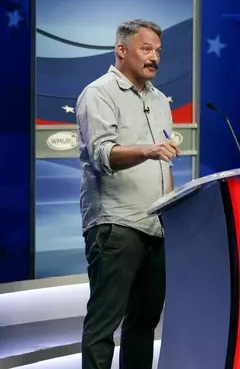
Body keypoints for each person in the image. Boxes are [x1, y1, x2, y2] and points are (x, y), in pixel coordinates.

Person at [76, 19, 180, 369]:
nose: (155, 58)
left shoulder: (160, 100)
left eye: (158, 51)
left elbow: (165, 164)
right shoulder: (99, 93)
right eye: (146, 49)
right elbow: (102, 155)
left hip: (156, 228)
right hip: (115, 225)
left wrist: (173, 210)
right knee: (104, 326)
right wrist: (149, 150)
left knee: (143, 325)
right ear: (121, 50)